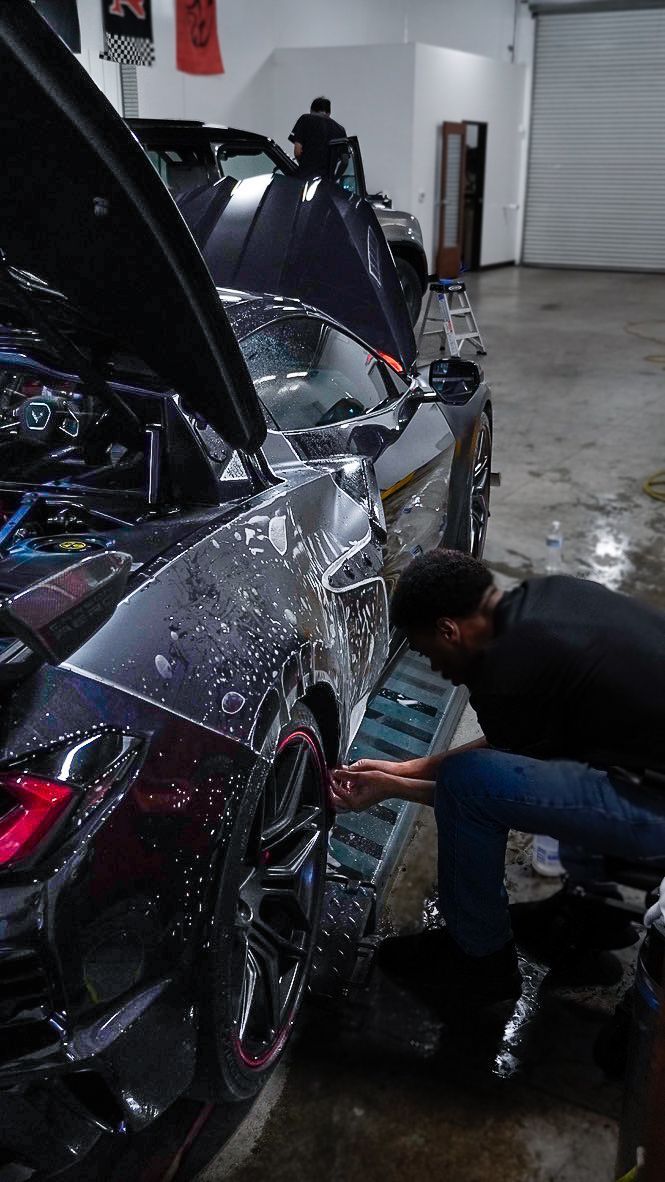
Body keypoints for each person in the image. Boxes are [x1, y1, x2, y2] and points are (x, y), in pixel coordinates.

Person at [330, 550, 665, 1014]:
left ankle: (479, 961)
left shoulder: (503, 669)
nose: (435, 668)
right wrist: (403, 768)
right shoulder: (547, 601)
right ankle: (587, 918)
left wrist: (389, 788)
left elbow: (481, 789)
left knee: (469, 784)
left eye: (429, 652)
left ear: (449, 630)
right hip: (648, 764)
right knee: (572, 750)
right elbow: (522, 746)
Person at [289, 96, 348, 180]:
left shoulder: (305, 119)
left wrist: (303, 166)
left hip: (305, 178)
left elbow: (297, 151)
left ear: (312, 110)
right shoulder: (340, 129)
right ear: (329, 112)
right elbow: (345, 161)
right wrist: (334, 179)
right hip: (326, 183)